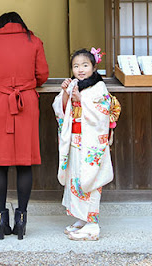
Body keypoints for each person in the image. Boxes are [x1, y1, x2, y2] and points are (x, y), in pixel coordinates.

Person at [0, 12, 49, 240]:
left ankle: (1, 219)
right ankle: (22, 219)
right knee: (25, 162)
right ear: (21, 24)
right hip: (26, 103)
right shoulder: (34, 41)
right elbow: (43, 75)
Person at [52, 48, 121, 241]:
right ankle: (82, 219)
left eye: (85, 65)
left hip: (91, 142)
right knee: (75, 178)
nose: (80, 69)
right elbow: (60, 108)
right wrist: (66, 94)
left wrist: (80, 100)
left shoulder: (99, 87)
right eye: (76, 66)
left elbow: (103, 112)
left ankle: (92, 225)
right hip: (74, 140)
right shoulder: (74, 84)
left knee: (90, 179)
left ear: (93, 67)